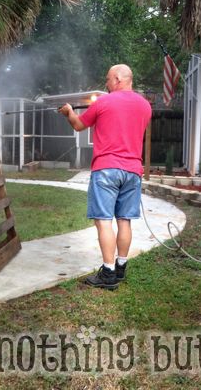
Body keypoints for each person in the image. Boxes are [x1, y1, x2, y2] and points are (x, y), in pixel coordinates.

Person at [58, 64, 152, 290]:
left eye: (109, 79)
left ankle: (108, 273)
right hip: (133, 171)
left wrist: (69, 112)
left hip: (107, 169)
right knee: (124, 220)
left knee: (104, 221)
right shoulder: (145, 106)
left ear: (119, 78)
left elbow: (79, 125)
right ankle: (121, 266)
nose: (106, 84)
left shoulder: (103, 102)